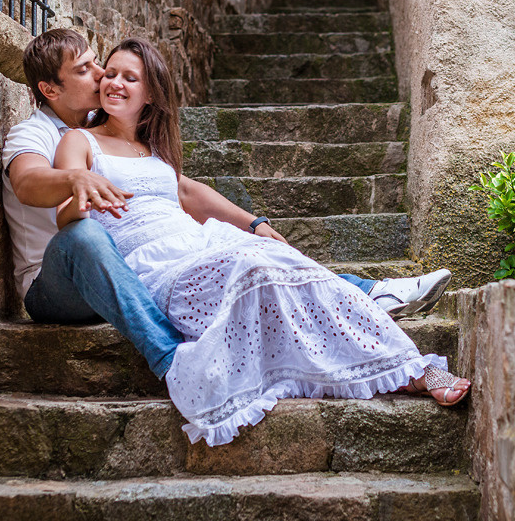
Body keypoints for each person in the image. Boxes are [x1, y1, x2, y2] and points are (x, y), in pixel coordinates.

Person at [52, 37, 470, 446]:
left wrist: (255, 223)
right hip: (155, 266)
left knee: (274, 256)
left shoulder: (154, 150)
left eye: (131, 77)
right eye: (111, 74)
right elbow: (65, 208)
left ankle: (407, 362)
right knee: (256, 269)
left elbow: (185, 193)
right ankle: (381, 318)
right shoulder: (80, 141)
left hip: (199, 242)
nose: (115, 83)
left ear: (151, 94)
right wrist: (81, 194)